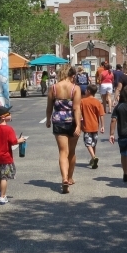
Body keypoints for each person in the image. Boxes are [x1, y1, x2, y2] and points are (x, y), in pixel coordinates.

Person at [46, 64, 83, 193]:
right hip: (72, 121)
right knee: (71, 152)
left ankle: (64, 178)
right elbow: (76, 108)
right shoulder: (75, 88)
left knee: (63, 152)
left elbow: (49, 107)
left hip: (58, 121)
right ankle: (70, 177)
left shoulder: (53, 88)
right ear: (72, 75)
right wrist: (78, 125)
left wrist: (48, 119)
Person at [0, 106, 25, 205]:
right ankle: (2, 196)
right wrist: (20, 140)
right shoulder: (9, 129)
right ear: (3, 117)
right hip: (5, 157)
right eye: (8, 113)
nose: (10, 115)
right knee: (4, 177)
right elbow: (13, 141)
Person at [80, 84, 105, 169]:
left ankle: (94, 157)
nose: (85, 91)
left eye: (86, 90)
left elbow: (79, 113)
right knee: (93, 143)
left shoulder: (83, 101)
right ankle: (93, 159)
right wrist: (102, 126)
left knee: (88, 143)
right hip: (95, 126)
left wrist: (79, 124)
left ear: (88, 91)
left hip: (86, 126)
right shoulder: (97, 102)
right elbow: (101, 114)